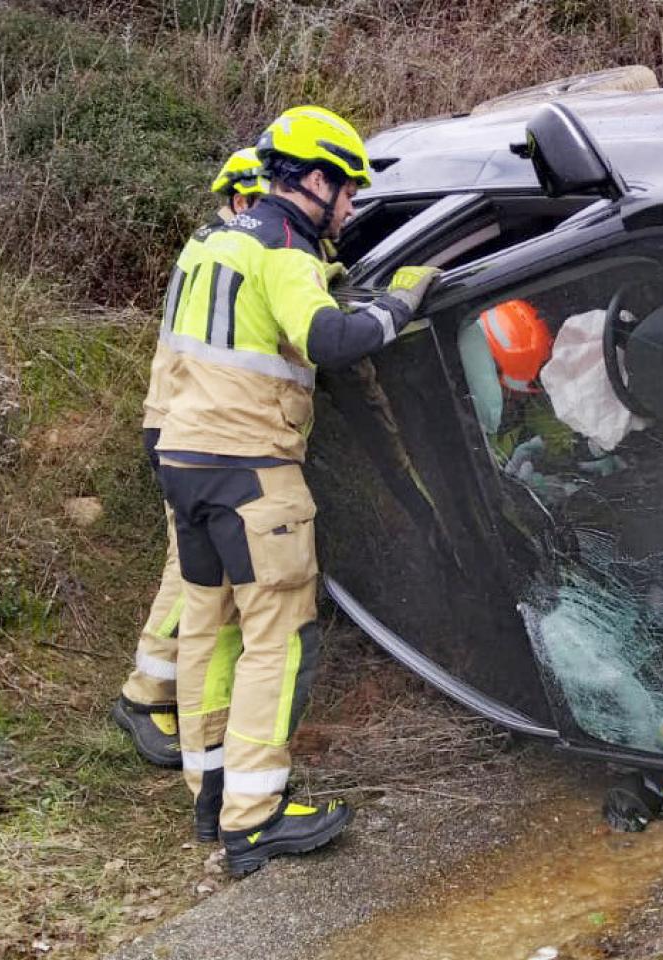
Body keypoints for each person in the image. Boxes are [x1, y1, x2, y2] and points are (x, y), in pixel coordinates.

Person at [152, 106, 439, 876]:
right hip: (251, 471)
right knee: (279, 638)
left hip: (185, 460)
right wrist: (398, 304)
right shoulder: (285, 247)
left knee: (211, 631)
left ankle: (213, 797)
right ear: (314, 180)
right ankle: (256, 819)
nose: (350, 205)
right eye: (347, 189)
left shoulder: (214, 242)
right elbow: (329, 340)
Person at [111, 147, 268, 770]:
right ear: (239, 198)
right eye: (260, 201)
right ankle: (144, 695)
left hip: (178, 422)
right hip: (184, 428)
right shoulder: (227, 253)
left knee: (199, 568)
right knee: (189, 569)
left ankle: (170, 691)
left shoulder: (210, 246)